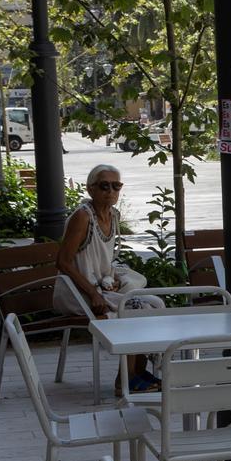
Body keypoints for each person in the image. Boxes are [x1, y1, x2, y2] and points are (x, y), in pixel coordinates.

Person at [55, 165, 158, 394]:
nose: (111, 191)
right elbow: (63, 263)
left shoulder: (112, 215)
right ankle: (125, 382)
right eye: (104, 186)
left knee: (148, 306)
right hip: (77, 292)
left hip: (101, 289)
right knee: (132, 311)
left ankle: (136, 374)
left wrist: (111, 277)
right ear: (91, 189)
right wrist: (92, 293)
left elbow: (104, 261)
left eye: (116, 185)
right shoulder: (83, 217)